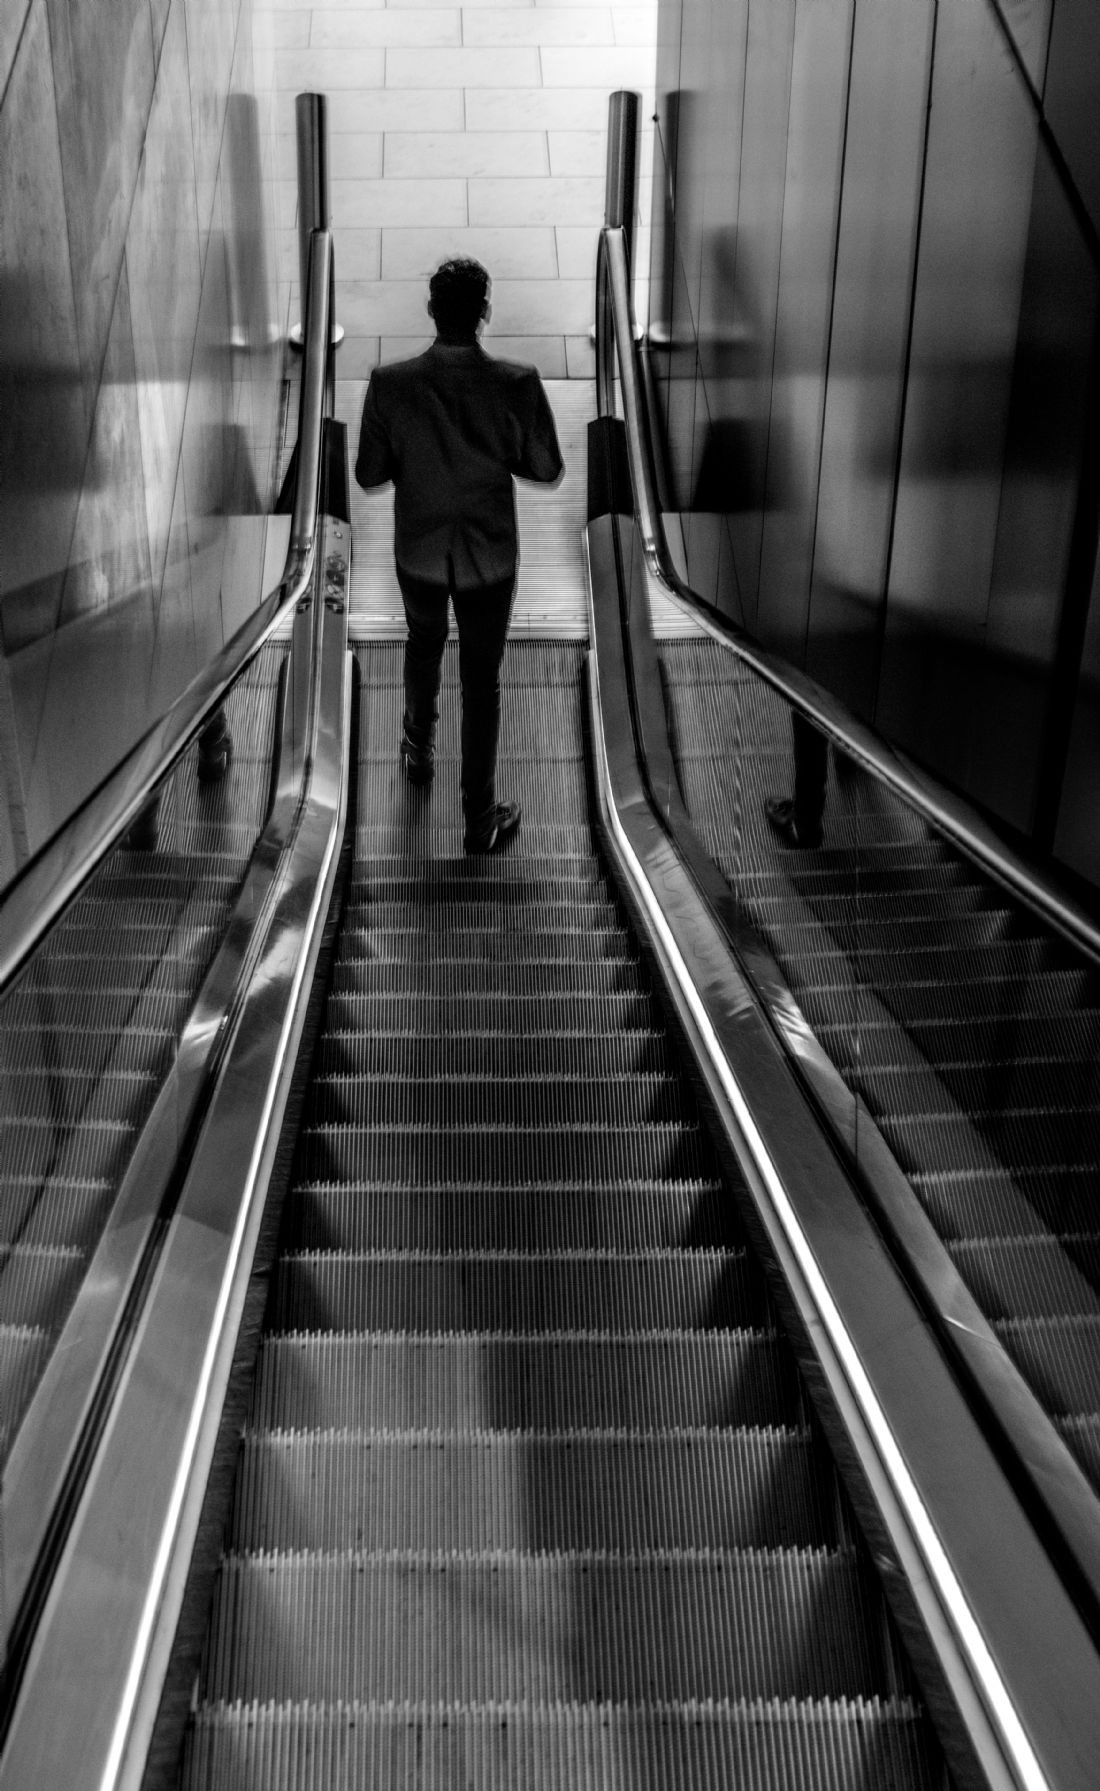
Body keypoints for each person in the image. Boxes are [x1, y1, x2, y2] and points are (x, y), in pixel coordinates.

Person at [355, 258, 564, 854]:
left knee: (423, 645)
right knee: (481, 681)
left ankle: (418, 750)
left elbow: (369, 474)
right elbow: (547, 469)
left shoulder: (389, 384)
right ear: (484, 313)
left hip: (419, 552)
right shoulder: (517, 383)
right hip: (488, 560)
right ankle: (479, 819)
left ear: (431, 310)